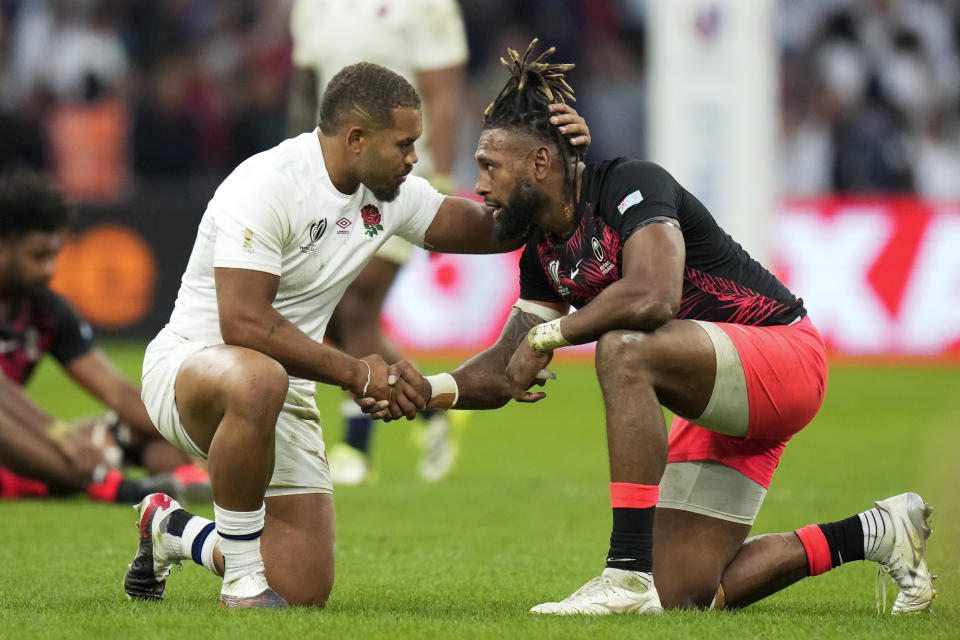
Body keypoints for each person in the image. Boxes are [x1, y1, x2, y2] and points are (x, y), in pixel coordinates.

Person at [363, 41, 935, 616]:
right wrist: (428, 391)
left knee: (625, 347)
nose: (480, 186)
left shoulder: (629, 184)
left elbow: (653, 296)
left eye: (489, 166)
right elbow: (505, 366)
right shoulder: (543, 251)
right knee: (685, 594)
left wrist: (551, 336)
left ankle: (624, 574)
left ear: (540, 163)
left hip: (785, 360)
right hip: (713, 391)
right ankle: (874, 532)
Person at [122, 61, 591, 608]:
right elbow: (243, 323)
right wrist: (355, 372)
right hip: (194, 368)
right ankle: (243, 585)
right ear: (356, 138)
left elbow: (494, 229)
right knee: (257, 380)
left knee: (301, 589)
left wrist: (562, 172)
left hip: (281, 386)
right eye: (405, 143)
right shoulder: (266, 185)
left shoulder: (389, 193)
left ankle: (171, 529)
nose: (415, 157)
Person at [287, 0, 469, 484]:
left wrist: (443, 180)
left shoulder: (427, 7)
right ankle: (429, 405)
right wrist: (294, 166)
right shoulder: (310, 8)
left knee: (357, 302)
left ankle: (356, 446)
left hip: (403, 174)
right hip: (335, 174)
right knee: (335, 311)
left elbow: (443, 94)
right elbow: (307, 93)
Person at [0, 169, 208, 503]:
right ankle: (115, 486)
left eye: (55, 255)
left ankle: (191, 478)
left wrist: (189, 441)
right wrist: (59, 434)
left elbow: (116, 391)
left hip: (25, 454)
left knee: (133, 426)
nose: (50, 270)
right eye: (38, 256)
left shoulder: (46, 311)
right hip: (17, 441)